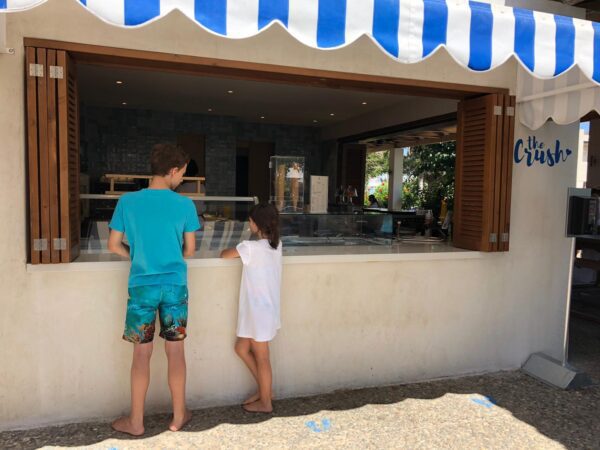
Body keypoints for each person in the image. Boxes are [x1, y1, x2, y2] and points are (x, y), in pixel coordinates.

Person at [107, 143, 201, 435]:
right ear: (172, 170)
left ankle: (136, 422)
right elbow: (190, 250)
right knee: (176, 353)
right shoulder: (184, 204)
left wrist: (136, 256)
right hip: (174, 287)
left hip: (142, 287)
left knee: (141, 356)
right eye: (182, 174)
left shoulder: (127, 201)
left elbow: (113, 245)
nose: (181, 180)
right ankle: (178, 416)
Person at [220, 203, 283, 413]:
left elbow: (224, 254)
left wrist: (239, 246)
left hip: (258, 312)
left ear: (256, 224)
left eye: (250, 221)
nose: (249, 223)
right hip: (264, 309)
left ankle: (266, 402)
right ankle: (266, 391)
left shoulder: (250, 248)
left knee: (262, 357)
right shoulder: (276, 245)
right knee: (241, 348)